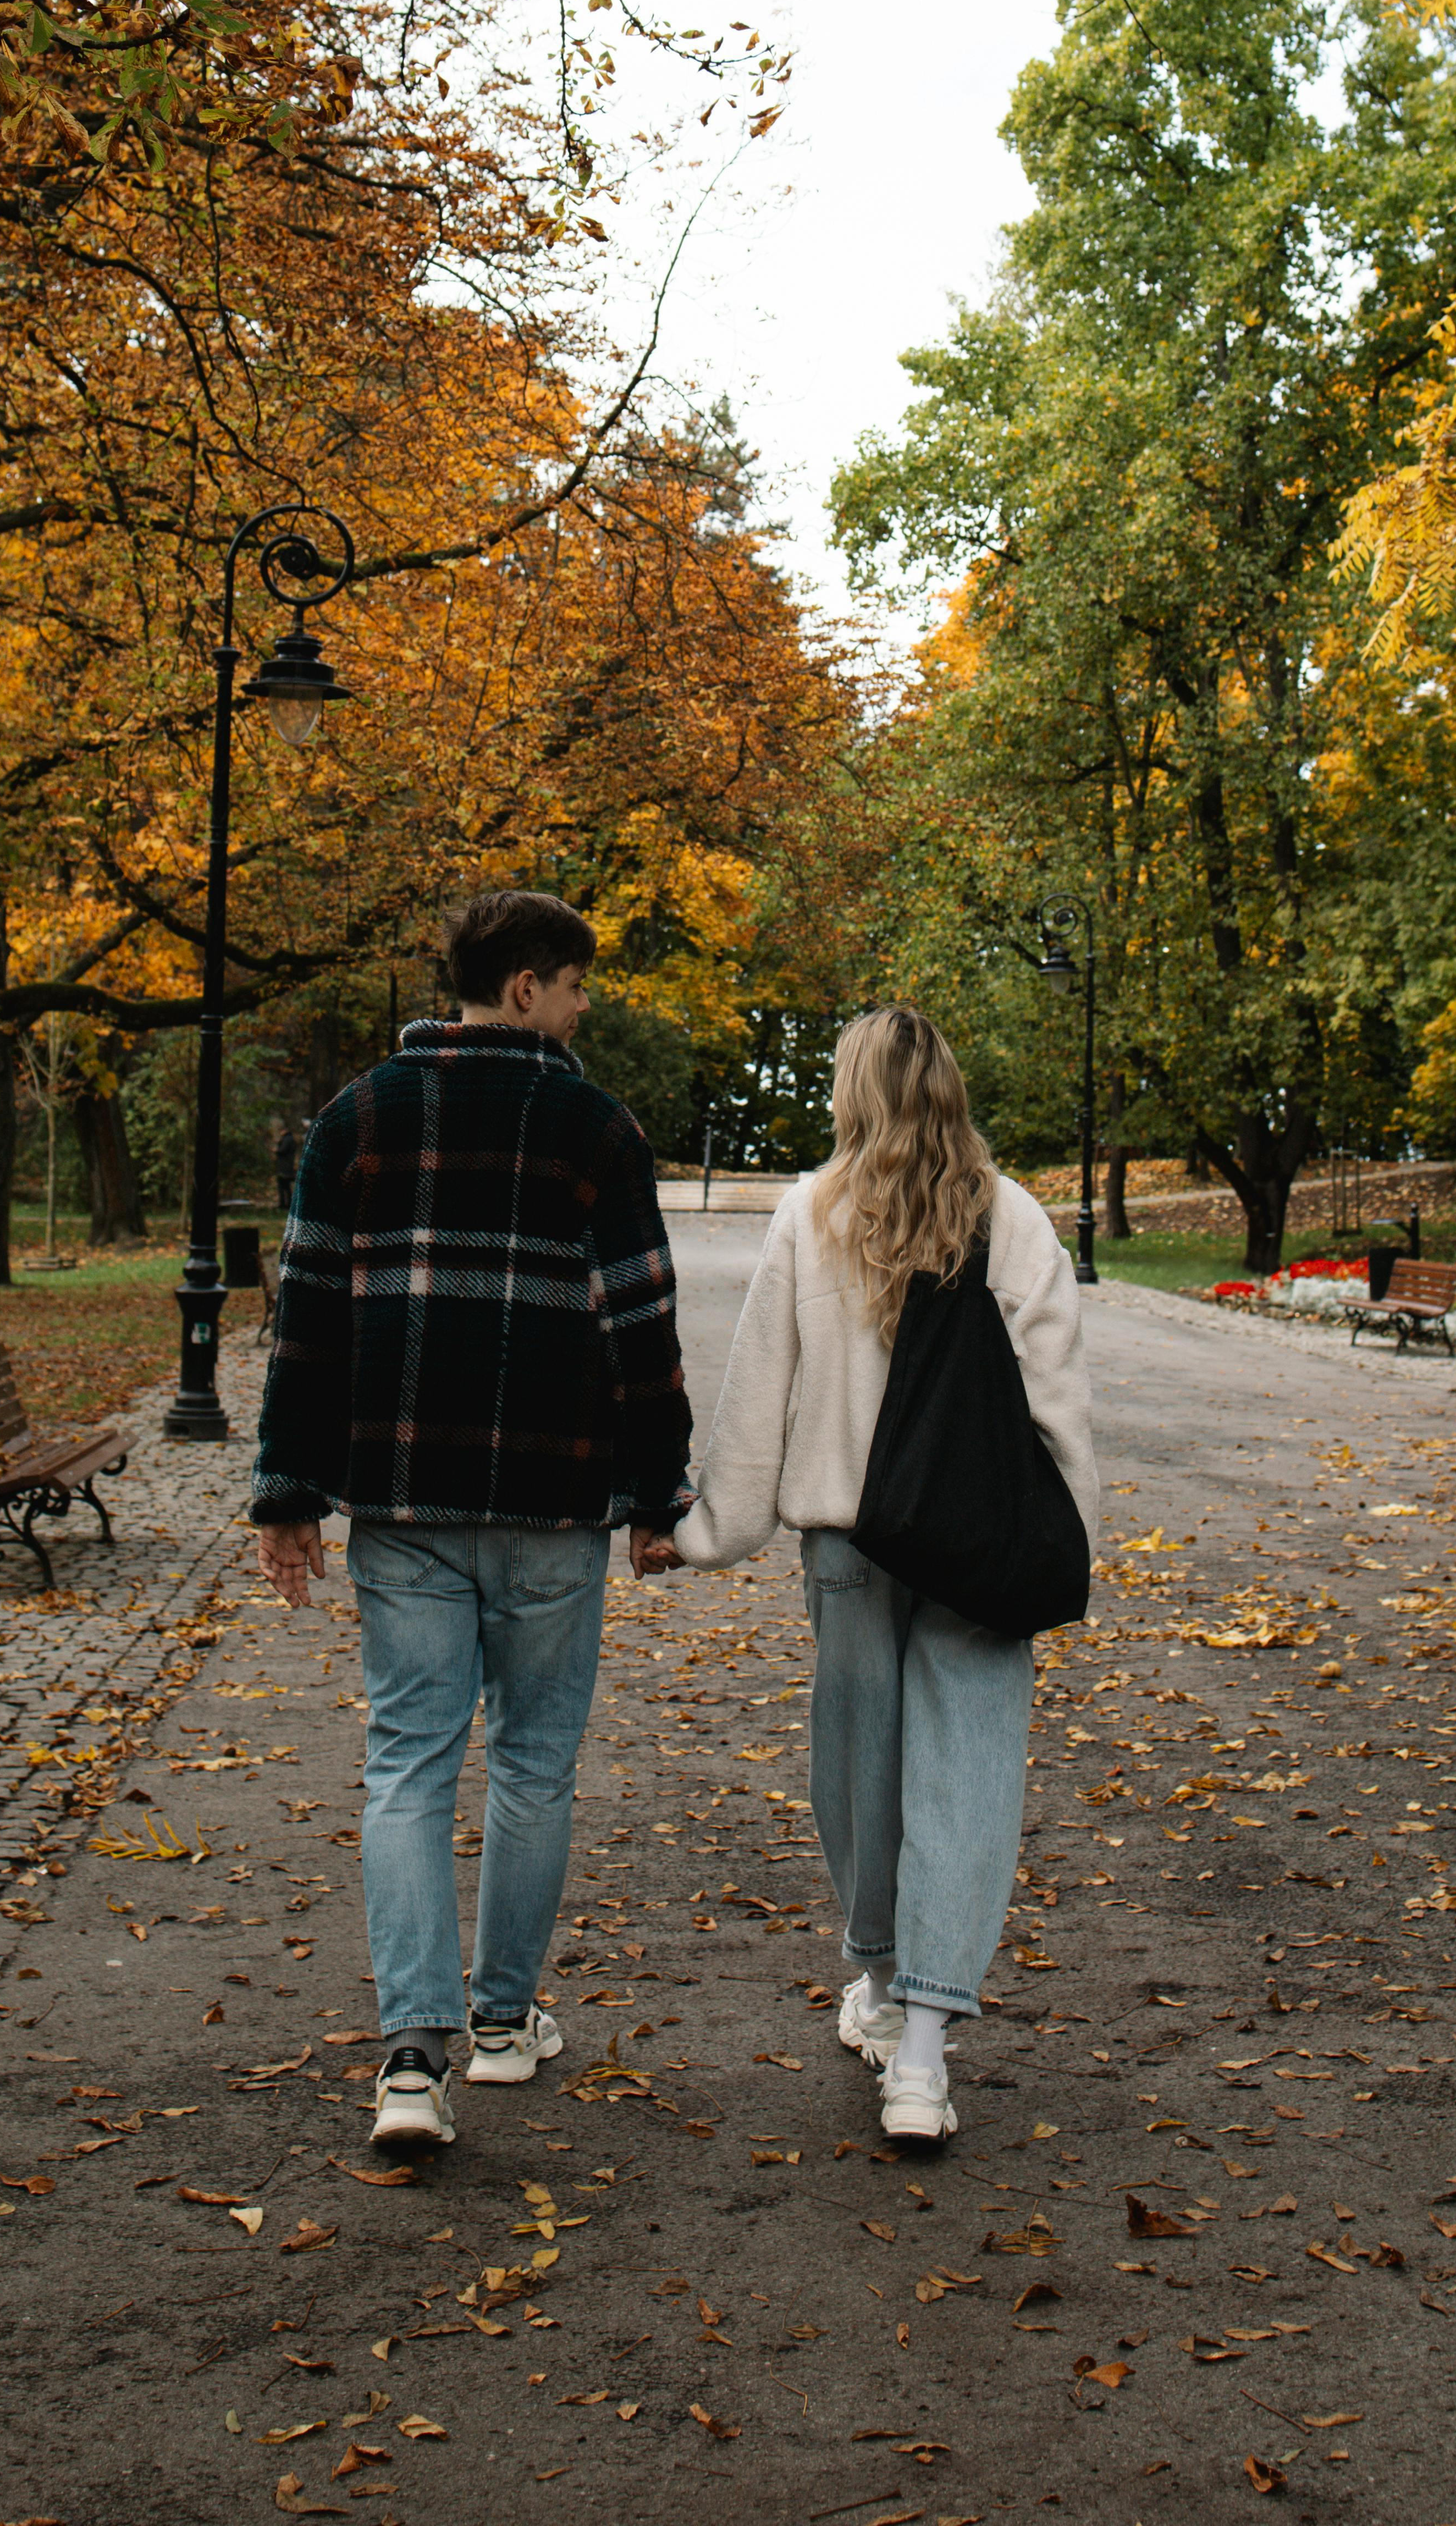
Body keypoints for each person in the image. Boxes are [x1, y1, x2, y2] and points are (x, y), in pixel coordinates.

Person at [250, 889, 691, 2148]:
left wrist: (287, 1495)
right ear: (521, 991)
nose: (583, 1004)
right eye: (573, 983)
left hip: (403, 1503)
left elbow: (308, 1323)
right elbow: (640, 1328)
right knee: (535, 1763)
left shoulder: (355, 1119)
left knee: (407, 1761)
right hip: (551, 1506)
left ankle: (408, 2059)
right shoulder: (595, 1127)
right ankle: (501, 2026)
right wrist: (657, 1498)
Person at [652, 1005, 1094, 2146]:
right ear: (949, 1085)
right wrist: (1062, 1544)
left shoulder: (811, 1211)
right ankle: (923, 2057)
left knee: (858, 1773)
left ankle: (884, 1980)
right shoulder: (1016, 1218)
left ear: (851, 1093)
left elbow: (759, 1397)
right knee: (968, 1777)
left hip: (849, 1540)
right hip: (978, 1545)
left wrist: (705, 1533)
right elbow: (1056, 1404)